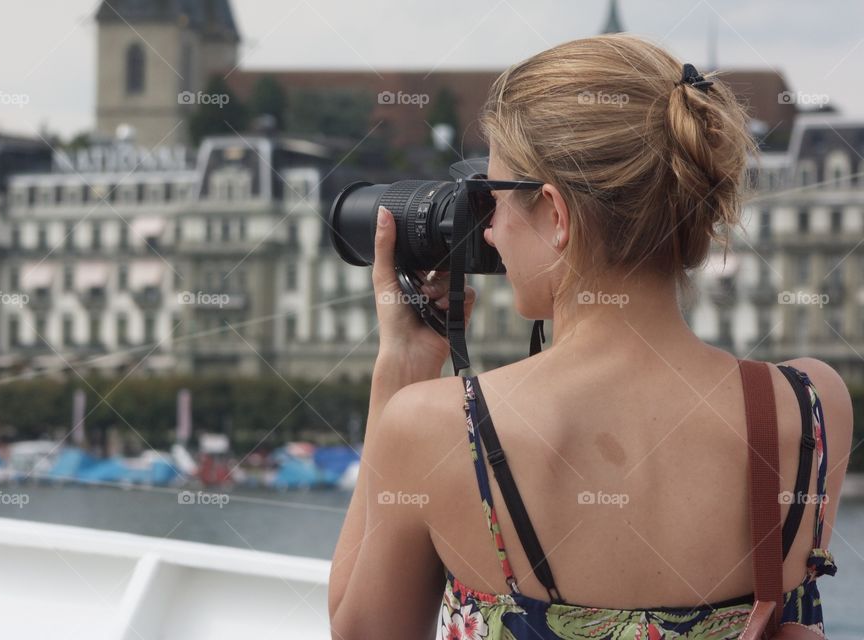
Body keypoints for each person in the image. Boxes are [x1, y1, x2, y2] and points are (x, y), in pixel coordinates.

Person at [328, 33, 853, 640]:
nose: (489, 232)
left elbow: (361, 630)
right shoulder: (813, 404)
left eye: (490, 199)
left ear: (554, 214)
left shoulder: (436, 426)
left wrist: (399, 370)